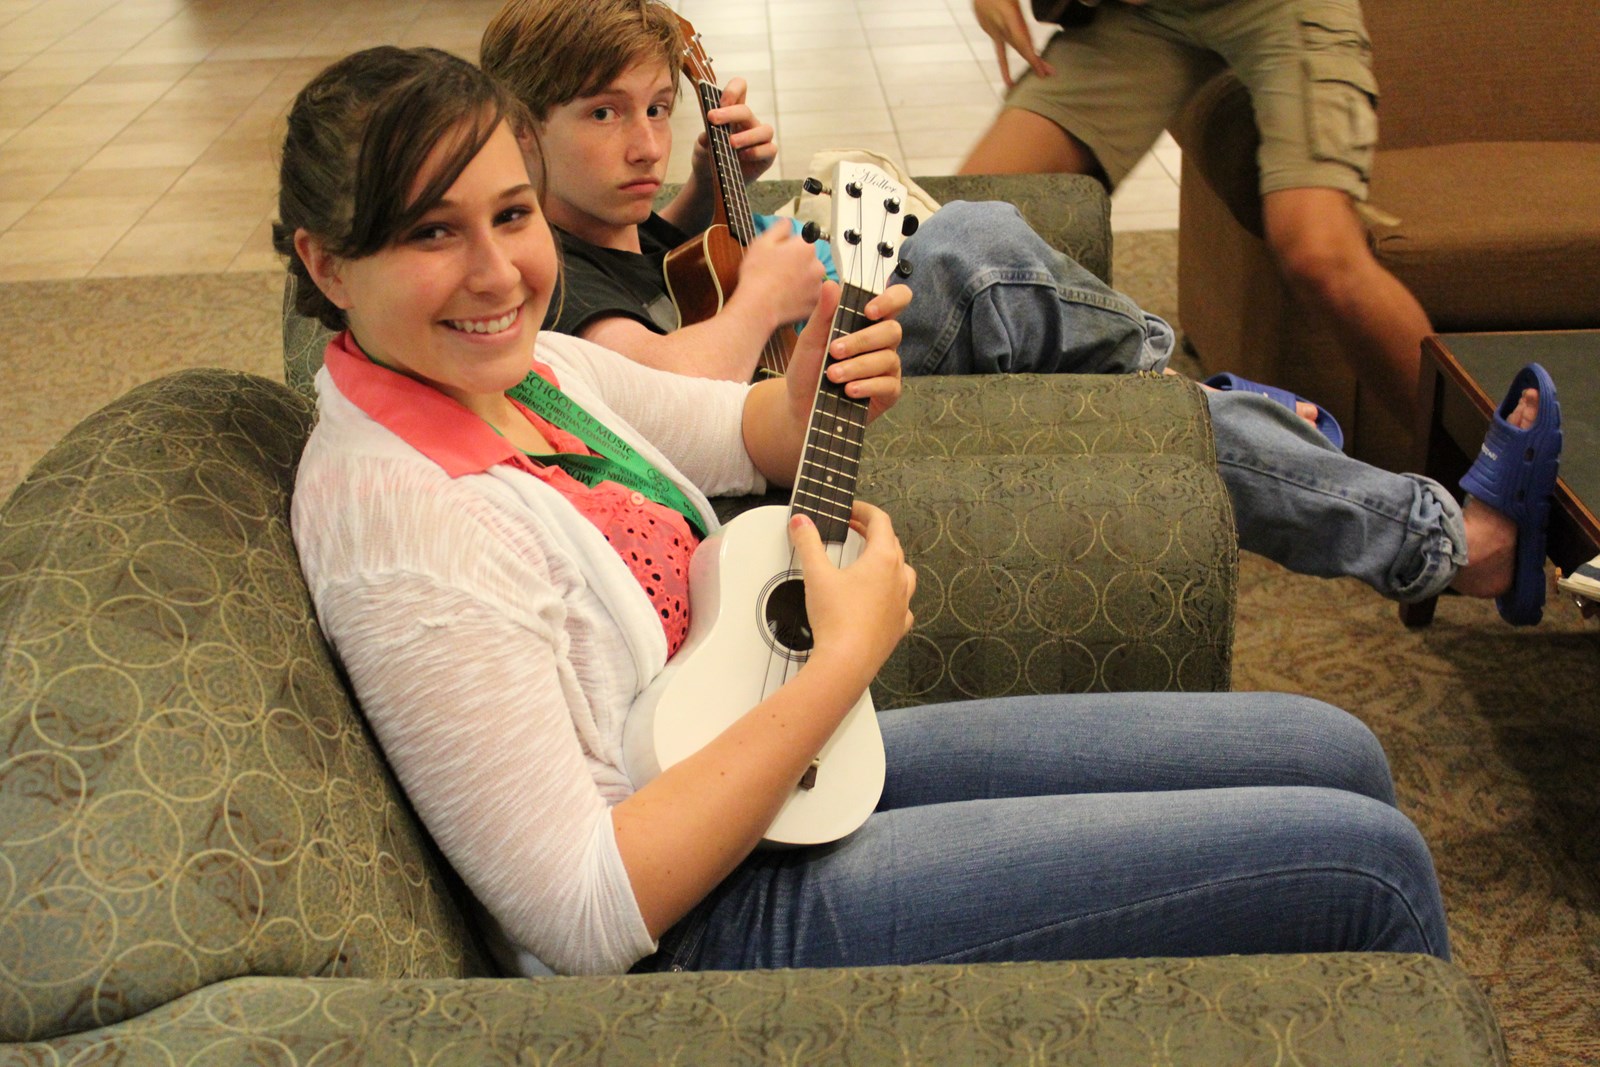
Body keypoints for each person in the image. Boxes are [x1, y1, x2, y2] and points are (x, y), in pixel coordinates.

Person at [278, 45, 1452, 977]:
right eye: (432, 232)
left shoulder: (526, 371)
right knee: (1370, 868)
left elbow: (744, 431)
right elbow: (586, 910)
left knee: (1333, 746)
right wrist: (842, 659)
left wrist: (811, 384)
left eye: (511, 215)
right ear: (326, 263)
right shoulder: (406, 528)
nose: (498, 273)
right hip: (708, 924)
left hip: (770, 762)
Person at [479, 0, 1564, 625]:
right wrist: (758, 296)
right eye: (603, 115)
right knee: (976, 251)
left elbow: (662, 278)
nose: (642, 141)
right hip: (790, 466)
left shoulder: (602, 223)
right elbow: (645, 387)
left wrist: (692, 202)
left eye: (657, 110)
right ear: (520, 130)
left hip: (816, 393)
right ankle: (1416, 522)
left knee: (1006, 274)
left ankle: (1417, 524)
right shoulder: (543, 270)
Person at [962, 0, 1431, 424]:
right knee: (965, 228)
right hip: (1140, 17)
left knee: (1320, 253)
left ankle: (1474, 455)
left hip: (1280, 9)